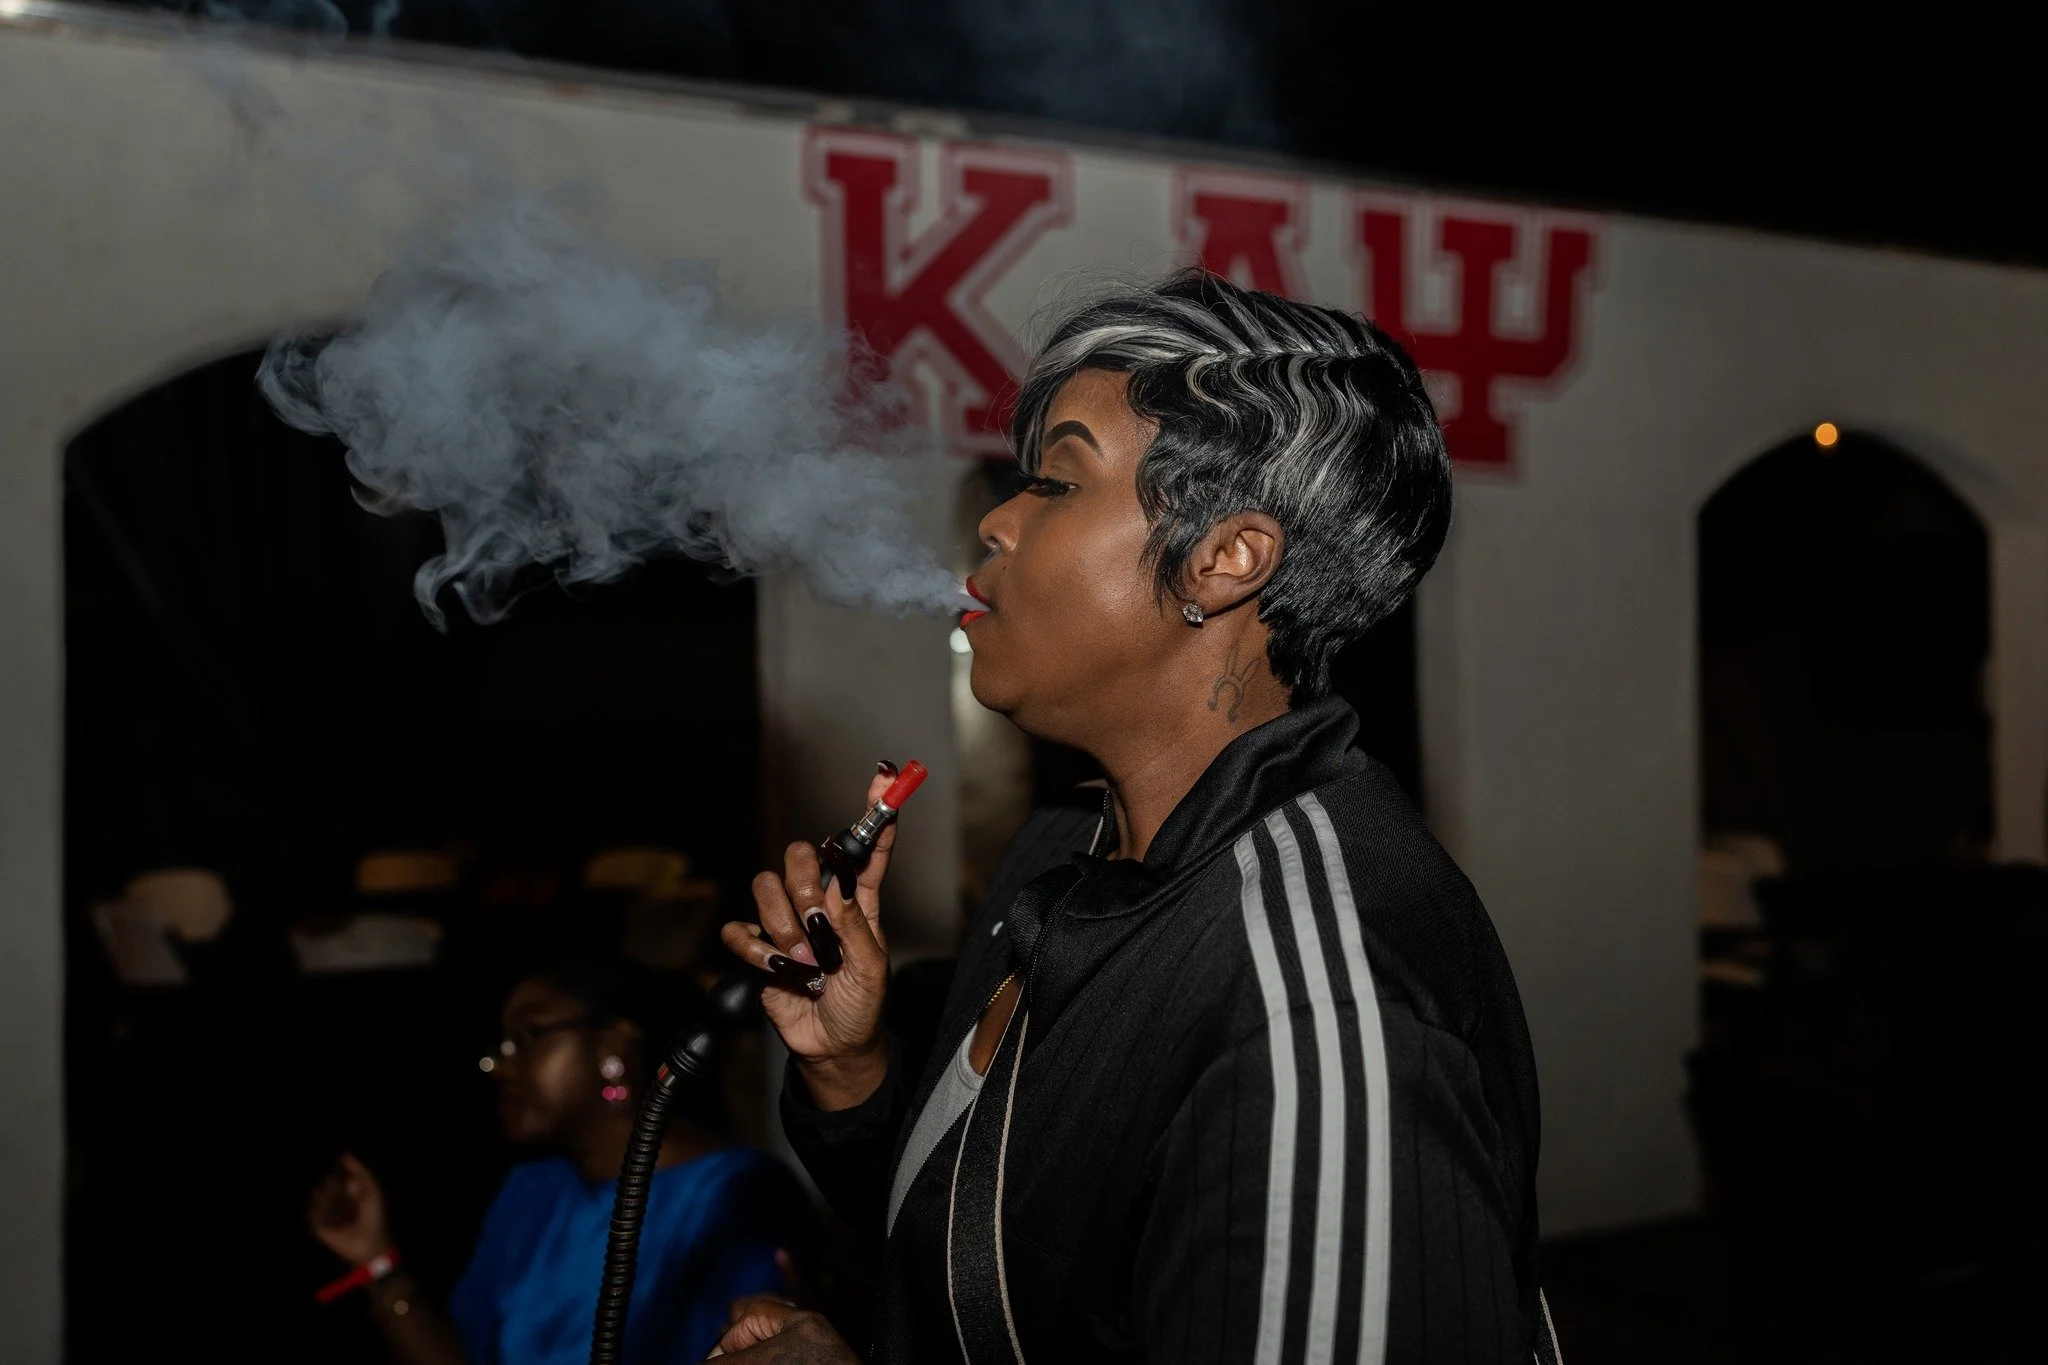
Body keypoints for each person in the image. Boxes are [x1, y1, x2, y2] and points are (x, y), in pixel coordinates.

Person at [712, 270, 1562, 1363]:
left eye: (1058, 483)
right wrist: (849, 1069)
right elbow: (986, 1252)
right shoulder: (1065, 848)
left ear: (1225, 559)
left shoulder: (1315, 998)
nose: (998, 520)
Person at [309, 957, 810, 1365]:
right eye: (500, 1046)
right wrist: (374, 1258)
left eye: (528, 1037)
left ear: (612, 1049)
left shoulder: (739, 1192)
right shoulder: (534, 1187)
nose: (499, 1066)